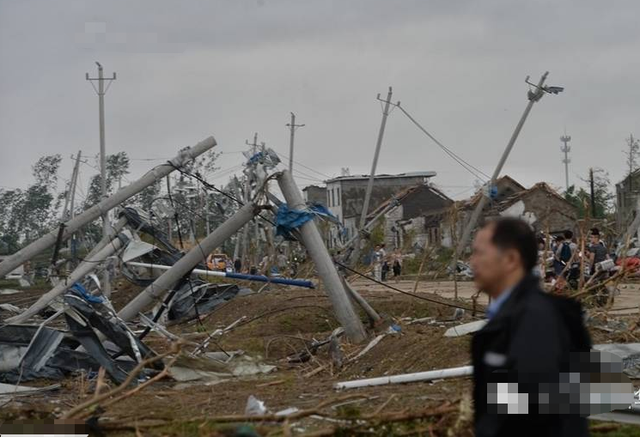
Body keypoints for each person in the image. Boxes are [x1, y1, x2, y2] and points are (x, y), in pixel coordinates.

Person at [470, 217, 590, 437]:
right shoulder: (512, 317)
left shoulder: (536, 320)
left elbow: (533, 410)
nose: (472, 262)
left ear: (511, 259)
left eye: (479, 253)